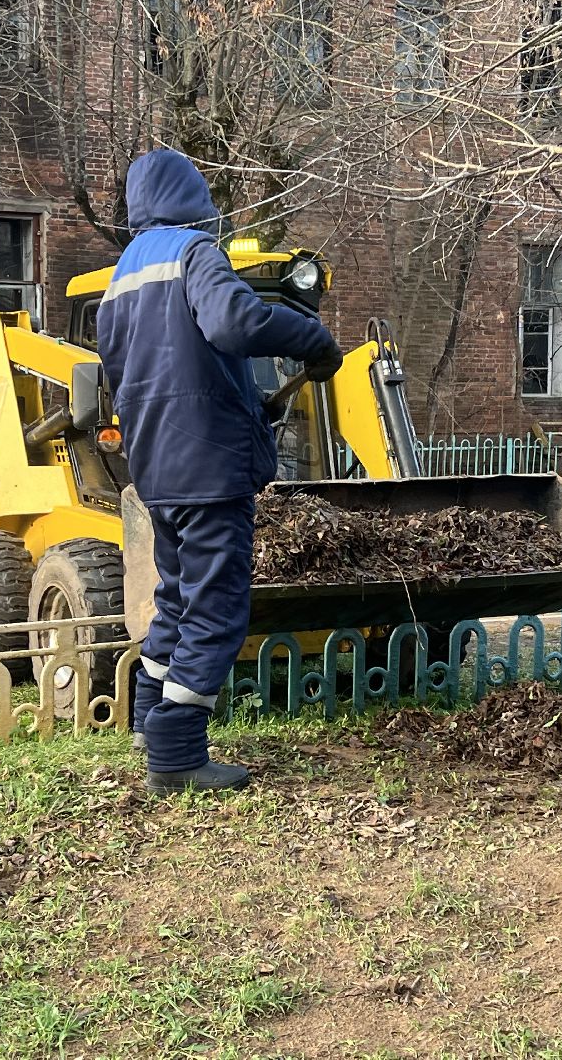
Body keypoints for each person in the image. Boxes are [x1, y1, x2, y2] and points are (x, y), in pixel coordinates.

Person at [95, 149, 343, 795]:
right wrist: (311, 339)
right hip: (208, 463)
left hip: (157, 464)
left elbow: (125, 374)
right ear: (197, 203)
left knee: (177, 597)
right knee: (217, 604)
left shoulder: (122, 274)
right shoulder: (194, 254)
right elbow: (235, 321)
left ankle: (149, 721)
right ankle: (176, 757)